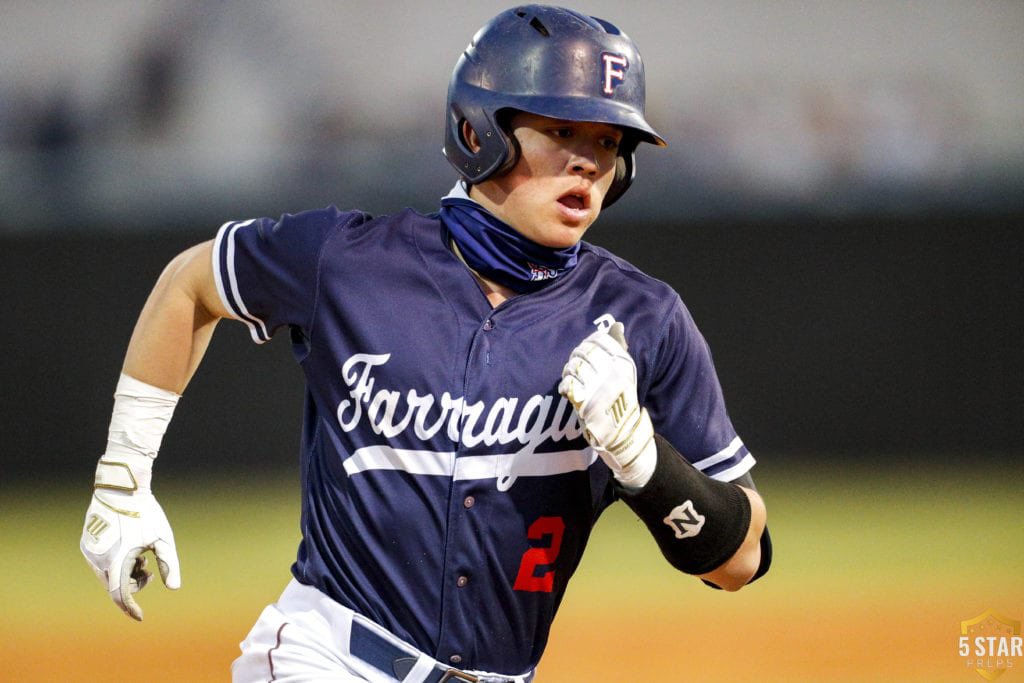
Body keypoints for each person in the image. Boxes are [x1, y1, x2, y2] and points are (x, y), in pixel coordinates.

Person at [80, 5, 770, 682]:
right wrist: (123, 476)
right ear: (480, 131)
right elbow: (191, 283)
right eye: (564, 129)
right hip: (327, 656)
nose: (589, 162)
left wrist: (647, 464)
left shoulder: (642, 318)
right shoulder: (349, 261)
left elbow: (741, 558)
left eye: (608, 142)